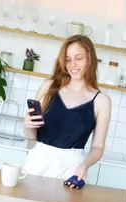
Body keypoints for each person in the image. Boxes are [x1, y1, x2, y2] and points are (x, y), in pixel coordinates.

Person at [23, 35, 111, 187]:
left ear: (90, 59)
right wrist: (27, 125)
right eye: (68, 59)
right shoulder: (48, 86)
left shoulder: (102, 101)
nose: (73, 65)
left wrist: (85, 165)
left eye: (79, 58)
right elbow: (32, 136)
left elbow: (98, 147)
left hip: (71, 168)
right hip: (37, 161)